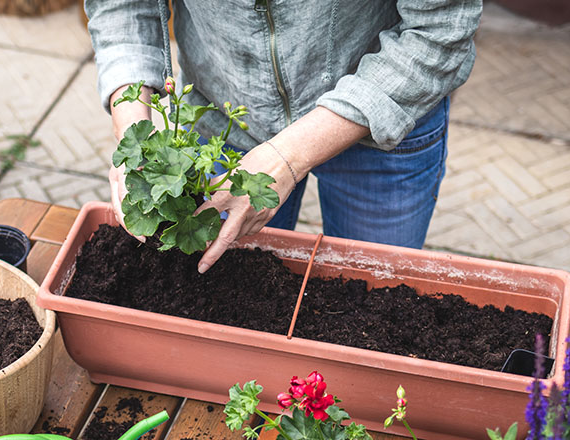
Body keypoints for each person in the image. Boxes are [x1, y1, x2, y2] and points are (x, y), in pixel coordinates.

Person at [84, 0, 483, 273]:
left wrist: (289, 156)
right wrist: (133, 122)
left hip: (382, 118)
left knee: (371, 299)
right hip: (227, 115)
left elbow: (439, 29)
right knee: (225, 295)